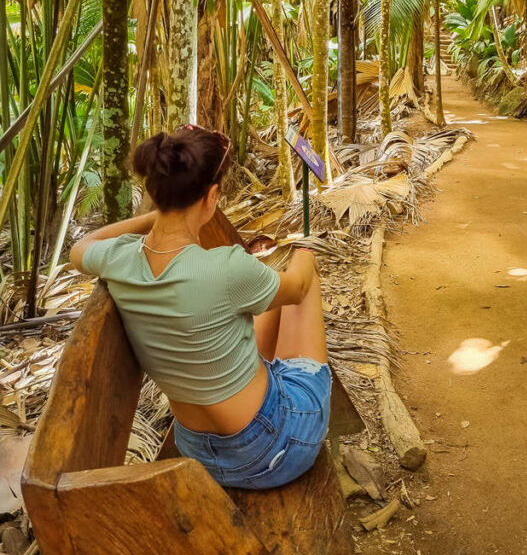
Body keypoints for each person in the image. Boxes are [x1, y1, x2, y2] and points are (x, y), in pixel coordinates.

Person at [69, 124, 331, 490]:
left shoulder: (117, 259)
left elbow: (81, 246)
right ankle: (290, 381)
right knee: (301, 282)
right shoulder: (225, 266)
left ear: (154, 192)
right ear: (211, 196)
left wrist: (159, 213)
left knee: (272, 298)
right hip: (274, 450)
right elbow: (299, 286)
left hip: (199, 454)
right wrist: (306, 251)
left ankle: (277, 375)